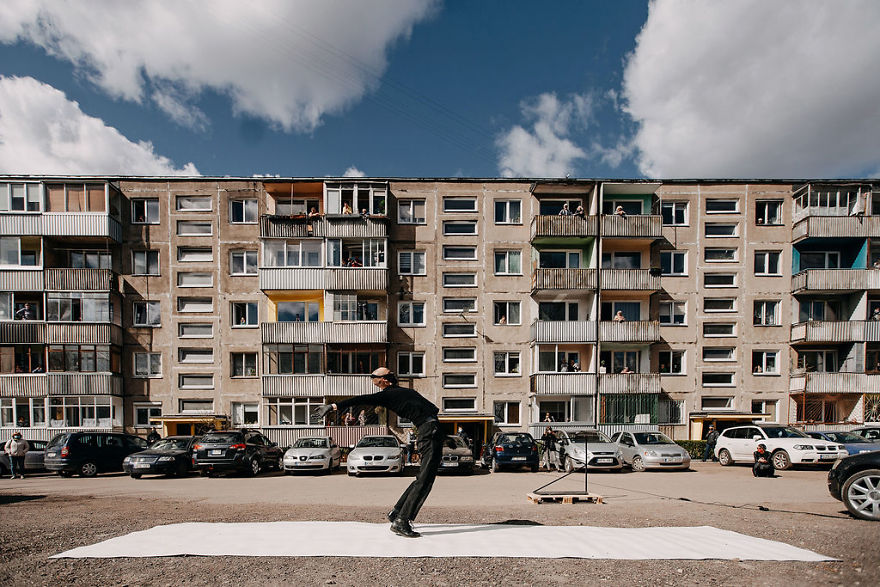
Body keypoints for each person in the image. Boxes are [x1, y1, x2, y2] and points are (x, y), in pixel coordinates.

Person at [313, 367, 442, 538]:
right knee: (425, 480)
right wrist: (333, 406)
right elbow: (361, 399)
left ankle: (397, 513)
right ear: (383, 381)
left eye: (375, 375)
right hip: (428, 430)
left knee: (422, 479)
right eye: (374, 376)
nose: (373, 377)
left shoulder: (399, 391)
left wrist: (444, 436)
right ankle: (402, 521)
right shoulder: (387, 395)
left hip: (431, 430)